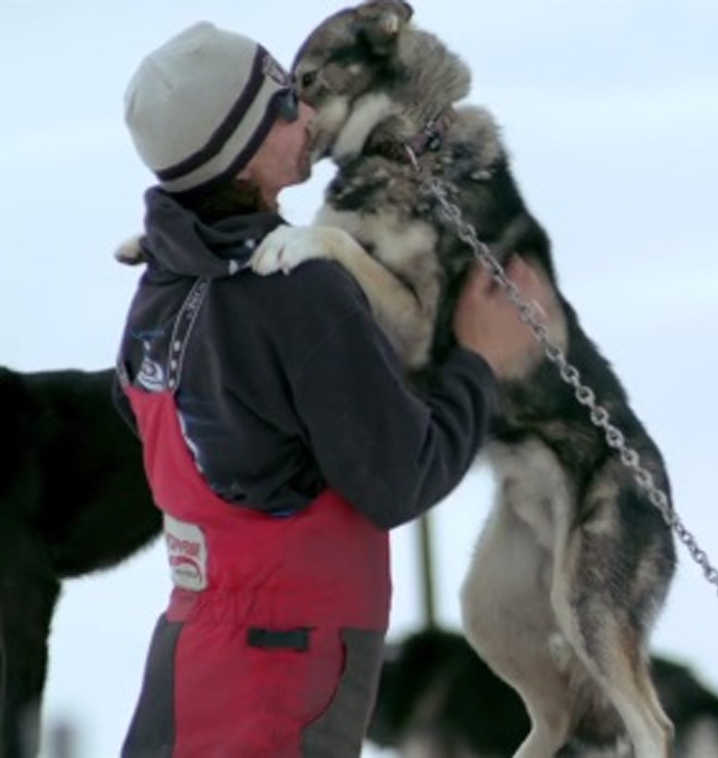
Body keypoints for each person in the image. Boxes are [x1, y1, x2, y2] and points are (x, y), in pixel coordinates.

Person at [114, 21, 560, 758]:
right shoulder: (299, 290)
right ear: (242, 146)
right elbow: (399, 477)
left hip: (190, 658)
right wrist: (479, 361)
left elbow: (155, 419)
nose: (312, 114)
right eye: (286, 104)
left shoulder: (161, 288)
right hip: (282, 675)